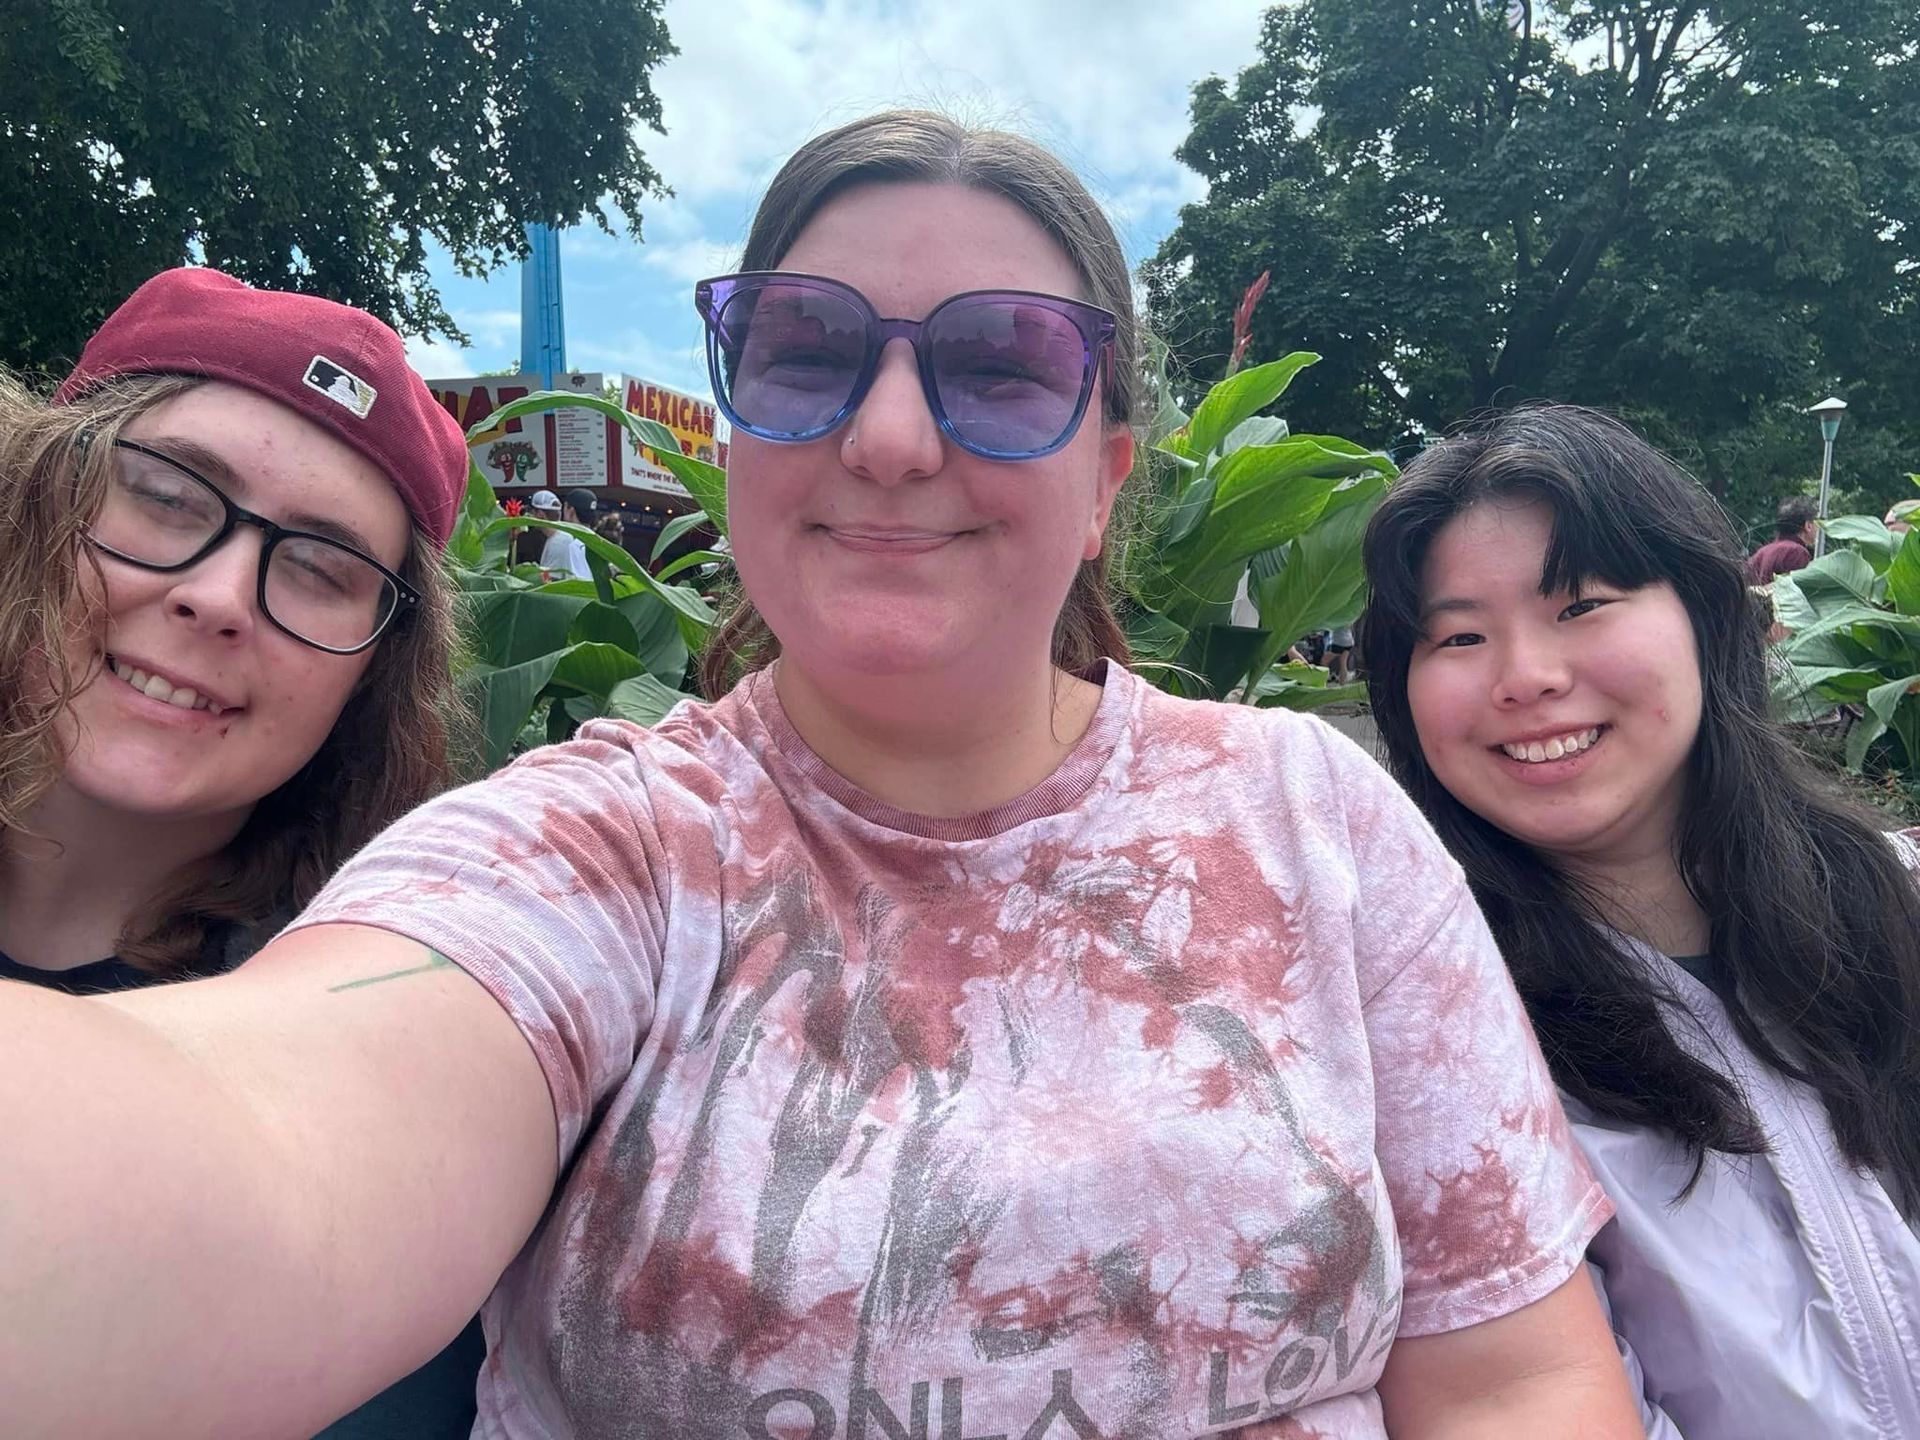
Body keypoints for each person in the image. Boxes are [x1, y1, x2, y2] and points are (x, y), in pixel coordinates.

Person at [0, 114, 1641, 1439]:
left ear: (1106, 484)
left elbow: (1513, 1379)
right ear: (736, 438)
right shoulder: (603, 853)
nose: (893, 436)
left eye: (1003, 366)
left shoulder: (1312, 819)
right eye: (805, 351)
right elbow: (269, 1147)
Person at [1358, 403, 1920, 1439]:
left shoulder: (1898, 900)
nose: (1527, 677)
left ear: (1705, 615)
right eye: (1460, 636)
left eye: (1582, 605)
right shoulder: (1426, 1038)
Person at [0, 267, 488, 1435]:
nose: (219, 596)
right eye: (167, 498)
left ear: (375, 676)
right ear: (32, 503)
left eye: (322, 568)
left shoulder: (397, 1073)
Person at [1743, 494, 1819, 584]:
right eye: (1817, 523)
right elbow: (1794, 590)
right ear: (1808, 526)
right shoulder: (1797, 552)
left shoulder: (1761, 552)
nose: (1818, 528)